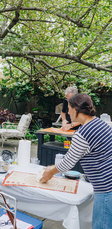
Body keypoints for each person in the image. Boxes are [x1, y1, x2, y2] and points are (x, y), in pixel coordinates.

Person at [40, 94, 112, 229]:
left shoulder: (82, 134)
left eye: (68, 108)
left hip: (106, 189)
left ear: (76, 109)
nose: (67, 112)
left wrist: (50, 173)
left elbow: (68, 162)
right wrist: (54, 167)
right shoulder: (101, 123)